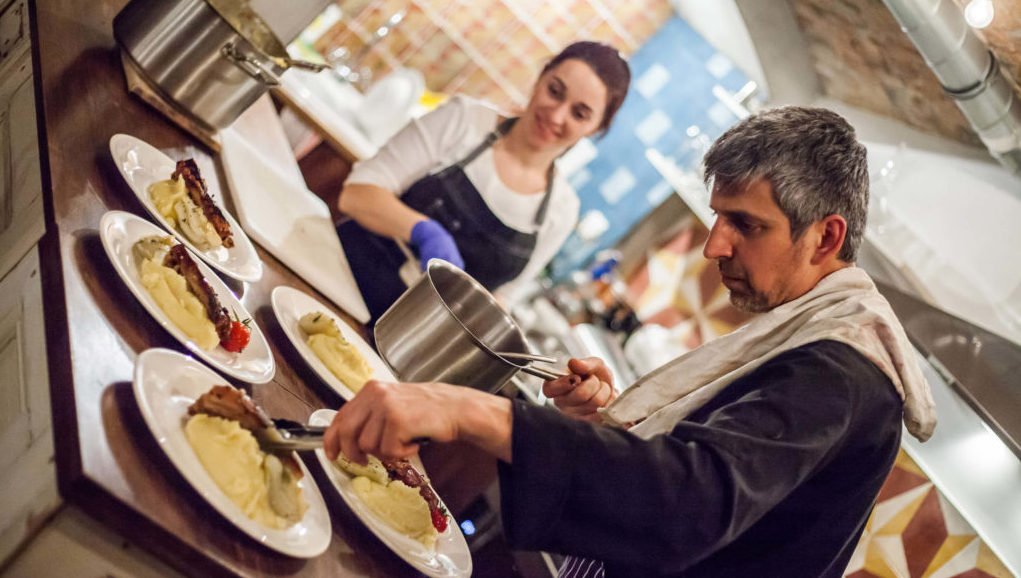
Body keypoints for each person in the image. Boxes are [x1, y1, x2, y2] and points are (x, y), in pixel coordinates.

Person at [323, 106, 938, 577]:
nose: (713, 246)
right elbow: (699, 462)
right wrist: (606, 425)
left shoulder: (842, 372)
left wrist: (470, 411)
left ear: (826, 238)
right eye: (717, 217)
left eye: (745, 225)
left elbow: (690, 500)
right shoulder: (806, 330)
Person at [336, 41, 631, 321]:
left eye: (579, 113)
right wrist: (423, 231)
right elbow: (357, 194)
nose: (556, 115)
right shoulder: (463, 120)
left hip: (403, 339)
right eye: (554, 91)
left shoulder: (561, 210)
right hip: (337, 281)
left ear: (596, 128)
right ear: (540, 78)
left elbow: (502, 299)